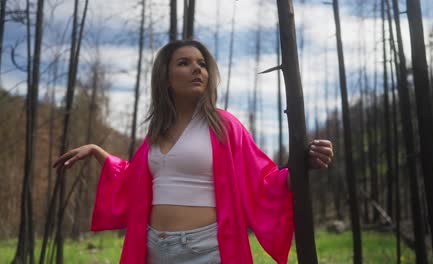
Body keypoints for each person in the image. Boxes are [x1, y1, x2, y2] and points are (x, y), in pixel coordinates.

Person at [53, 40, 334, 264]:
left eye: (201, 64)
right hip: (152, 249)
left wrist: (303, 162)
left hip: (205, 249)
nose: (196, 69)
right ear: (166, 77)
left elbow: (262, 181)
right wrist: (97, 151)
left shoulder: (224, 126)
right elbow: (135, 179)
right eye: (184, 63)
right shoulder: (156, 132)